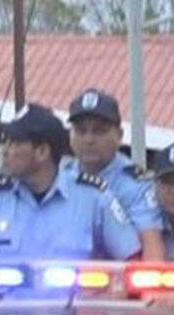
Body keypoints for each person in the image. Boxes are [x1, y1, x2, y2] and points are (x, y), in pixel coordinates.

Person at [0, 104, 141, 263]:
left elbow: (131, 259)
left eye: (15, 143)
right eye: (5, 142)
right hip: (6, 307)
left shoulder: (92, 197)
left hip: (73, 308)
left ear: (41, 151)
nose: (5, 151)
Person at [66, 88, 165, 260]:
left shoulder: (135, 185)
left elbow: (151, 241)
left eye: (99, 131)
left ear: (119, 136)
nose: (89, 140)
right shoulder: (62, 177)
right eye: (81, 131)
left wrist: (148, 285)